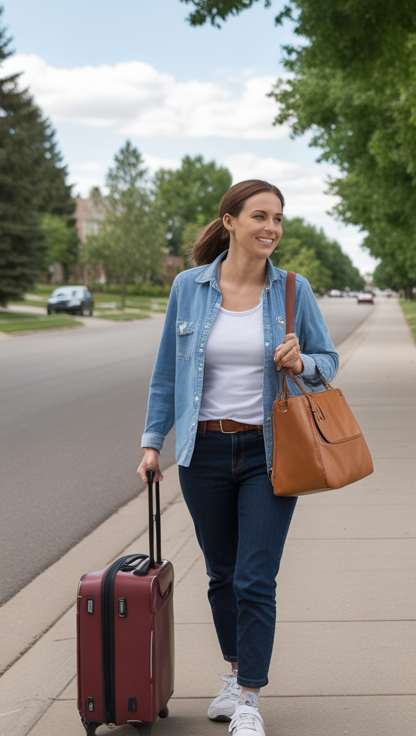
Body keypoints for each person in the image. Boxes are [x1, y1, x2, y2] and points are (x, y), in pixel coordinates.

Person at [137, 180, 338, 736]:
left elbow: (330, 361)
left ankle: (250, 697)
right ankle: (233, 674)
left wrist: (302, 364)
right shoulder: (189, 287)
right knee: (221, 575)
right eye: (259, 216)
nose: (271, 227)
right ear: (229, 221)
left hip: (270, 453)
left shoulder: (294, 290)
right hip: (202, 452)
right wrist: (153, 443)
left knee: (255, 576)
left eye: (278, 218)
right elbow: (167, 375)